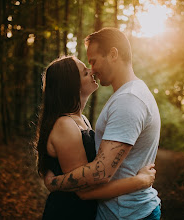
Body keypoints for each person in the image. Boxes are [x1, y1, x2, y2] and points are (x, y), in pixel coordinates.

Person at [44, 28, 161, 220]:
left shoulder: (128, 100)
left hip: (127, 214)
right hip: (119, 212)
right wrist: (140, 181)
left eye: (93, 61)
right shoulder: (126, 96)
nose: (92, 69)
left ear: (113, 54)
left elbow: (102, 172)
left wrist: (54, 182)